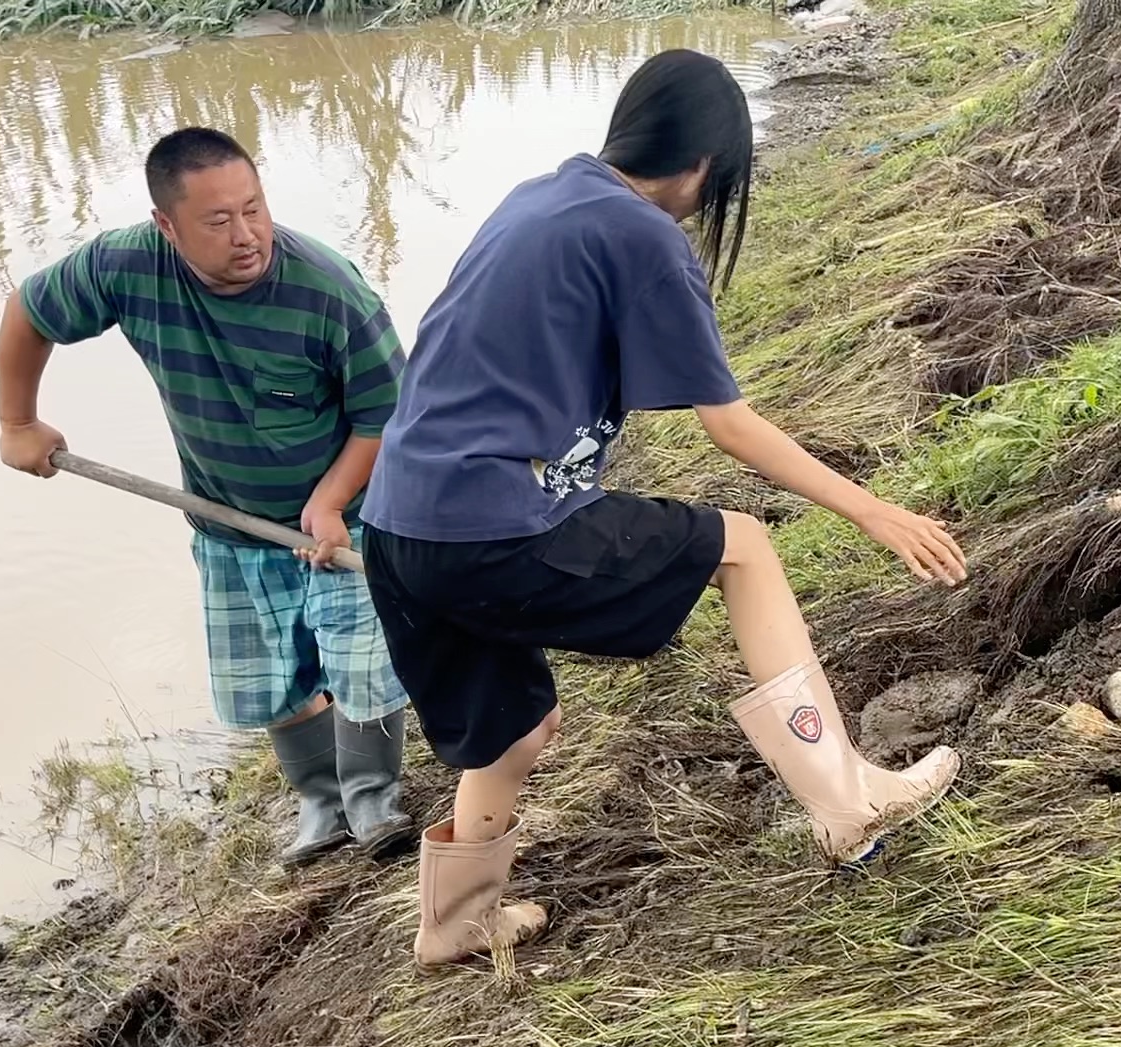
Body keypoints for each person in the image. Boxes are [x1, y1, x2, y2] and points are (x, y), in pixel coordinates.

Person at [359, 48, 971, 970]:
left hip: (401, 526)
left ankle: (453, 925)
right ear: (706, 168)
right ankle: (847, 801)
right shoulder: (643, 235)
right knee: (744, 546)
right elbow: (730, 427)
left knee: (514, 725)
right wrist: (873, 510)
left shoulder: (538, 196)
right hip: (493, 521)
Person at [0, 126, 419, 868]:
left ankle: (373, 799)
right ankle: (321, 802)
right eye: (218, 221)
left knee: (361, 664)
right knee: (269, 679)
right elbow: (29, 312)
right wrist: (18, 420)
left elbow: (390, 413)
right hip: (227, 524)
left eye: (253, 209)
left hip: (346, 519)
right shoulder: (125, 265)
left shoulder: (329, 289)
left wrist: (330, 500)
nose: (246, 234)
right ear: (167, 225)